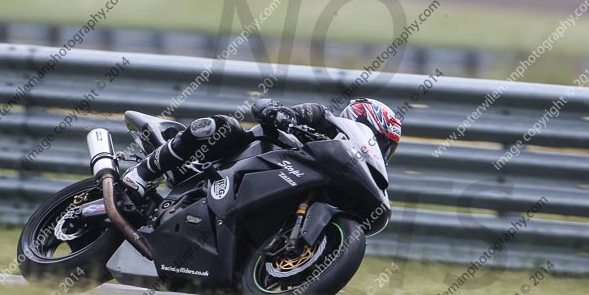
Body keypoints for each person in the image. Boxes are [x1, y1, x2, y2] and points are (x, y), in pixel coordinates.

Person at [122, 98, 402, 196]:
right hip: (246, 157)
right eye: (380, 142)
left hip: (274, 186)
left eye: (385, 148)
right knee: (223, 126)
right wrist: (282, 114)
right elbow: (268, 107)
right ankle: (141, 174)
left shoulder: (344, 171)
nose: (380, 150)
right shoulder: (322, 118)